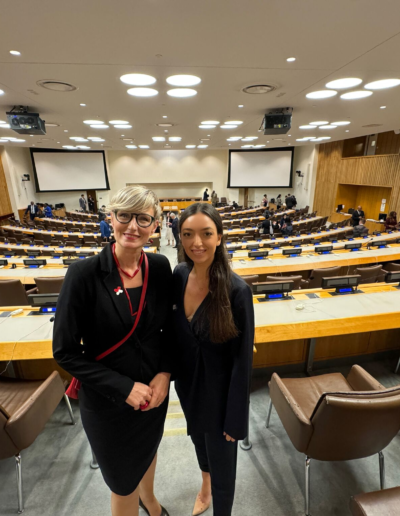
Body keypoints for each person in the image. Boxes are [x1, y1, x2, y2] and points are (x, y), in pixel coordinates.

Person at [53, 185, 173, 516]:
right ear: (111, 219)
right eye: (124, 216)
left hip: (153, 392)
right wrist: (124, 388)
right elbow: (64, 352)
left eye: (143, 219)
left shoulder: (160, 268)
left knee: (148, 452)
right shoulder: (83, 274)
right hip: (107, 402)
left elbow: (169, 332)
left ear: (155, 226)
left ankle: (149, 499)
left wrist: (165, 373)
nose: (133, 226)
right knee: (121, 482)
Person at [172, 203, 254, 516]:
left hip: (222, 399)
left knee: (223, 469)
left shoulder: (236, 291)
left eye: (206, 234)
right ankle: (203, 488)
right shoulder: (179, 275)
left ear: (219, 237)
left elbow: (242, 361)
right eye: (188, 234)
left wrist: (236, 418)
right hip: (190, 388)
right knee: (198, 443)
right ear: (179, 237)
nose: (197, 242)